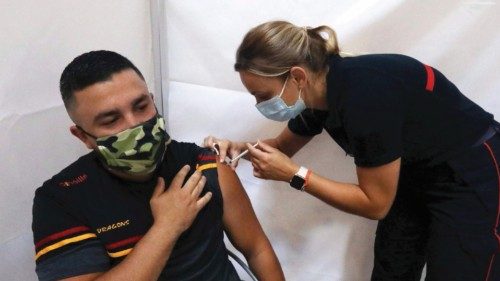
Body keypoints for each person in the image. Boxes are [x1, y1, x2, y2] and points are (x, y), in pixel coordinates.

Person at [204, 20, 500, 280]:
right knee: (392, 268)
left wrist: (295, 175)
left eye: (262, 95)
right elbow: (281, 147)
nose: (259, 105)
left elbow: (375, 204)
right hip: (410, 174)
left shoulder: (366, 96)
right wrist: (237, 149)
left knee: (460, 270)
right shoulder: (318, 92)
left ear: (296, 77)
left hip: (470, 174)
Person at [31, 50, 285, 281]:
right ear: (83, 136)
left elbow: (257, 249)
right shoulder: (61, 199)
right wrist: (167, 227)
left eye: (141, 107)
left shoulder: (206, 166)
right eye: (111, 120)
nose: (135, 125)